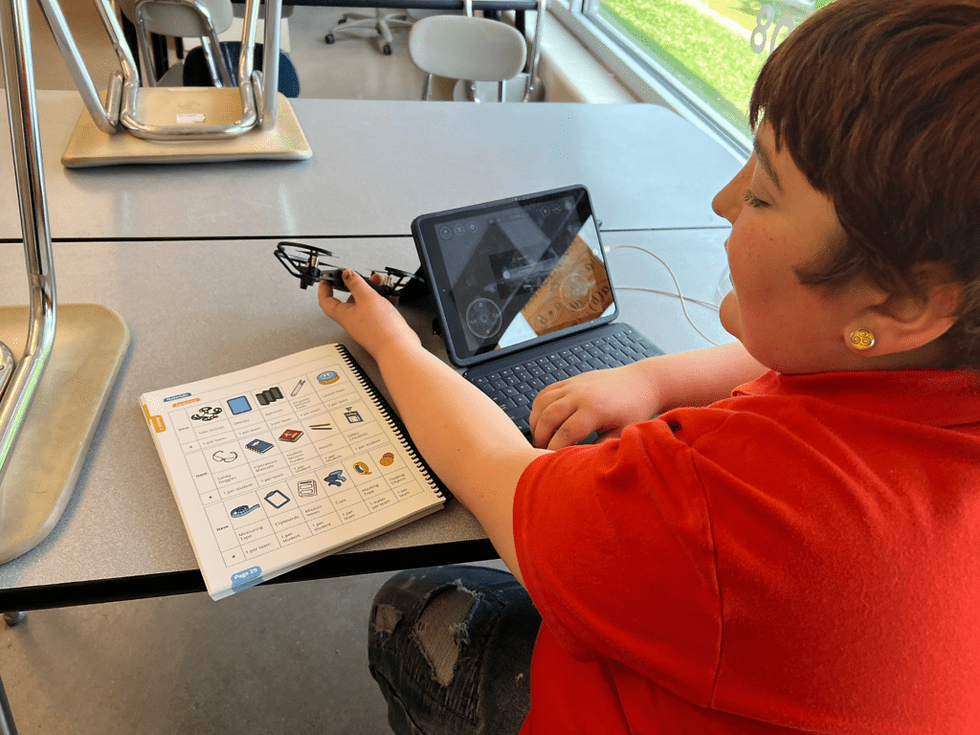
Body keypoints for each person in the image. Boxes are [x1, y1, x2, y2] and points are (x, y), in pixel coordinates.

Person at [318, 0, 980, 731]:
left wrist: (390, 341)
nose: (724, 199)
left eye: (763, 192)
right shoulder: (929, 356)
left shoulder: (729, 500)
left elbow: (490, 465)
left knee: (410, 604)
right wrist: (652, 379)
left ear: (904, 304)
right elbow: (814, 360)